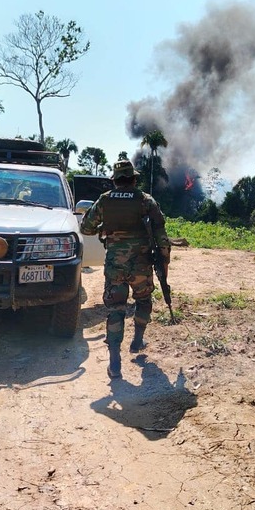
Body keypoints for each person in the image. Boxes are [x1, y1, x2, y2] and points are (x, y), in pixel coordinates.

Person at [80, 160, 171, 380]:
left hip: (115, 266)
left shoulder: (105, 200)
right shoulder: (145, 200)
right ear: (133, 178)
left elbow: (86, 228)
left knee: (116, 309)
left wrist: (105, 227)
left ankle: (115, 364)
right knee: (143, 300)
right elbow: (162, 236)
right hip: (141, 264)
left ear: (115, 179)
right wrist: (164, 264)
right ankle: (137, 340)